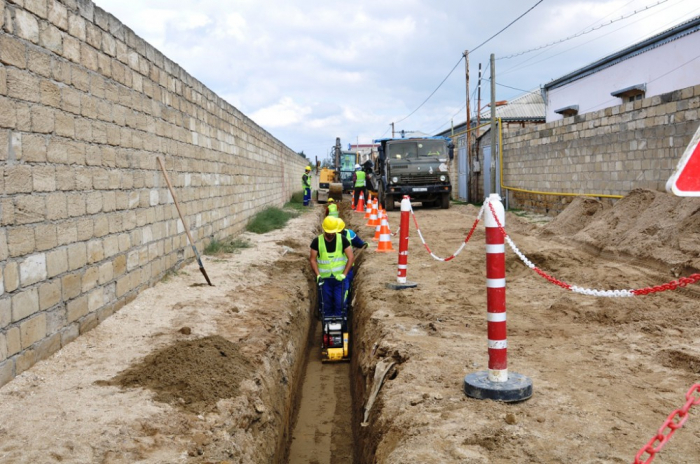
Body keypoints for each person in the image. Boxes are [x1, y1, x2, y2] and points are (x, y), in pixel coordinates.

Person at [309, 217, 354, 319]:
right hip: (325, 280)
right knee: (326, 302)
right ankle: (327, 321)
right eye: (328, 232)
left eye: (332, 232)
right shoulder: (317, 241)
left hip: (340, 279)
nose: (330, 234)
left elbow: (351, 258)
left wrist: (344, 274)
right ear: (324, 229)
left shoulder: (342, 240)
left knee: (340, 302)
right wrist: (318, 275)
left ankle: (340, 320)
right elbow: (312, 259)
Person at [335, 219, 367, 306]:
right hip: (330, 270)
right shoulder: (327, 237)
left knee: (345, 289)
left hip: (347, 268)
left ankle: (345, 307)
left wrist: (364, 244)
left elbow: (359, 243)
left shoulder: (349, 234)